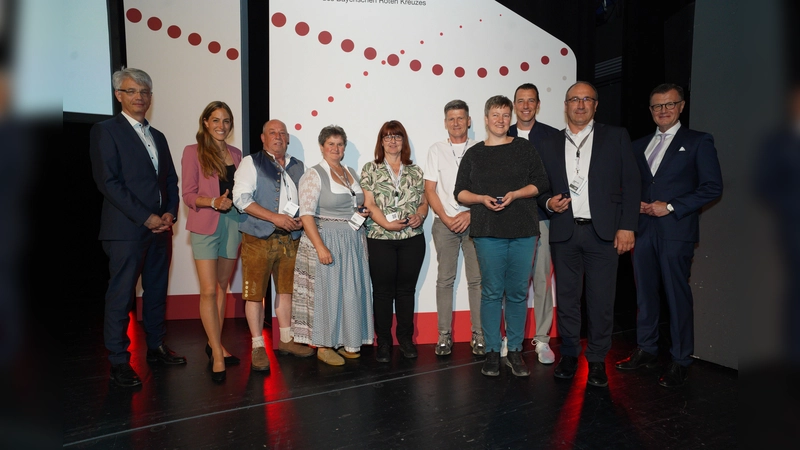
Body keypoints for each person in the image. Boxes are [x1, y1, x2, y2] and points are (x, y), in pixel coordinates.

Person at [615, 83, 722, 387]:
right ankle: (647, 349)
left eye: (669, 104)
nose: (663, 110)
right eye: (657, 106)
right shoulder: (638, 145)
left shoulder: (698, 141)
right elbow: (627, 184)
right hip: (642, 230)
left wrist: (672, 206)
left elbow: (712, 187)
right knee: (645, 294)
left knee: (677, 296)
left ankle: (681, 359)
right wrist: (632, 202)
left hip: (676, 230)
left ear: (681, 106)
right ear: (650, 110)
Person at [536, 81, 640, 387]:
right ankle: (569, 354)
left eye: (586, 99)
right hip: (565, 232)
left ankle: (596, 360)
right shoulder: (550, 143)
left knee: (601, 301)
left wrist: (627, 226)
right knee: (567, 300)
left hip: (604, 233)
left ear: (595, 105)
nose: (580, 105)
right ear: (565, 105)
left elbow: (631, 182)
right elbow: (539, 186)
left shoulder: (616, 136)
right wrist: (548, 203)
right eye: (574, 99)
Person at [89, 67, 185, 388]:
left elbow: (170, 180)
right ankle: (119, 360)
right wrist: (146, 217)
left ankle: (156, 347)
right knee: (122, 296)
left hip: (161, 229)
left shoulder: (158, 136)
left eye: (144, 92)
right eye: (131, 91)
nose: (139, 97)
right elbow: (108, 183)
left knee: (156, 290)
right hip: (126, 230)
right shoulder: (106, 131)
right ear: (119, 95)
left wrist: (169, 213)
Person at [454, 95, 550, 378]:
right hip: (488, 231)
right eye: (495, 115)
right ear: (486, 119)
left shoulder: (524, 147)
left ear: (511, 119)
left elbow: (541, 183)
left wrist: (516, 194)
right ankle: (493, 351)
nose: (500, 120)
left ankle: (516, 351)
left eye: (505, 115)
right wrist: (481, 199)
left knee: (518, 293)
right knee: (492, 293)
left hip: (523, 231)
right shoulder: (474, 153)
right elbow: (460, 192)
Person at [233, 119, 315, 373]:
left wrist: (301, 218)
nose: (278, 136)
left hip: (290, 238)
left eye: (282, 133)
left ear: (288, 138)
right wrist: (274, 217)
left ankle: (287, 339)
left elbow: (306, 199)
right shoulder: (251, 162)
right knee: (255, 294)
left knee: (286, 290)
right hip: (258, 238)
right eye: (272, 132)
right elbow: (240, 199)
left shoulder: (299, 166)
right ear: (263, 137)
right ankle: (258, 345)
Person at [292, 125, 374, 366]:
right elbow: (306, 214)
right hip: (327, 238)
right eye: (331, 144)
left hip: (352, 240)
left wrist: (361, 212)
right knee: (327, 294)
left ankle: (348, 341)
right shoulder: (314, 174)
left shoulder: (350, 172)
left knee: (349, 293)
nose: (336, 148)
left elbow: (356, 203)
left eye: (340, 144)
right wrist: (320, 247)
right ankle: (324, 346)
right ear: (322, 147)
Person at [181, 101, 243, 382]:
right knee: (208, 291)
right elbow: (188, 195)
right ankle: (217, 353)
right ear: (205, 122)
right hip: (205, 225)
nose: (221, 126)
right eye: (216, 120)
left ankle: (215, 343)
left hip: (233, 225)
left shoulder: (237, 154)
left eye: (226, 121)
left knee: (221, 287)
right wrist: (213, 202)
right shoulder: (192, 152)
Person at [361, 120, 429, 363]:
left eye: (397, 136)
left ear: (403, 141)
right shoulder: (371, 169)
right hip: (380, 238)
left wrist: (420, 215)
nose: (392, 141)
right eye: (387, 137)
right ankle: (384, 342)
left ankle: (406, 339)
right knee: (382, 292)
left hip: (412, 238)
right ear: (381, 142)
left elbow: (424, 202)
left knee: (406, 291)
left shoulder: (416, 171)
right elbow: (369, 203)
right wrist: (387, 224)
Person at [424, 100, 484, 357]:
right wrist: (446, 218)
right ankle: (444, 336)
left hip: (475, 220)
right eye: (451, 118)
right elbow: (430, 190)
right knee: (444, 280)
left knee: (477, 280)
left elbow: (488, 189)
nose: (456, 123)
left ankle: (479, 334)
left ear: (469, 121)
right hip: (444, 223)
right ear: (445, 122)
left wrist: (470, 214)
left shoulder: (481, 148)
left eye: (461, 118)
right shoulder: (436, 150)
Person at [508, 83, 559, 365]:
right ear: (514, 105)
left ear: (538, 105)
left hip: (542, 219)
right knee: (513, 282)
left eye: (531, 101)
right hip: (510, 221)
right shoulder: (504, 135)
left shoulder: (552, 136)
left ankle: (542, 338)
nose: (525, 106)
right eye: (521, 101)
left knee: (542, 280)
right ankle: (511, 338)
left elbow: (556, 177)